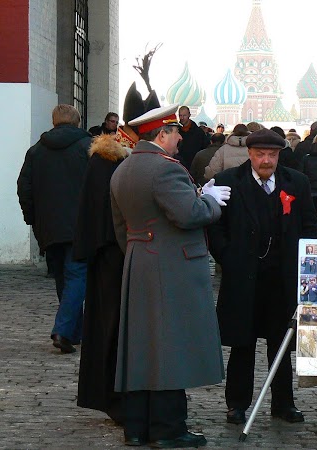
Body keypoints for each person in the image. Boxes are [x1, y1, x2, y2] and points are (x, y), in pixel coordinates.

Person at [110, 103, 230, 448]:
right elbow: (188, 214)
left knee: (141, 346)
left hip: (138, 260)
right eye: (175, 132)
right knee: (169, 347)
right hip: (170, 263)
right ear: (161, 135)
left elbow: (121, 227)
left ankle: (137, 425)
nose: (180, 138)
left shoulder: (124, 169)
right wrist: (209, 201)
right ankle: (168, 428)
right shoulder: (165, 170)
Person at [207, 128, 317, 426]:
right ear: (250, 154)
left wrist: (300, 264)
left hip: (281, 278)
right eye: (260, 155)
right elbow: (215, 228)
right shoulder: (229, 181)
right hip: (243, 276)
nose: (266, 161)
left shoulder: (297, 182)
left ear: (279, 155)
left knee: (280, 342)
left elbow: (308, 226)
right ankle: (237, 404)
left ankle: (283, 403)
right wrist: (228, 258)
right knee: (242, 343)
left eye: (272, 155)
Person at [17, 104, 90, 354]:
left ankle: (73, 331)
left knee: (63, 276)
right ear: (77, 122)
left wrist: (32, 218)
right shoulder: (88, 148)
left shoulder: (36, 151)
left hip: (48, 225)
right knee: (77, 275)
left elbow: (24, 187)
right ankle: (64, 330)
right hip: (81, 223)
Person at [72, 134, 128, 423]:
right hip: (110, 255)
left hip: (114, 252)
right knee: (111, 325)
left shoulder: (110, 162)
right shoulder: (106, 162)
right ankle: (111, 394)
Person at [176, 105, 209, 171]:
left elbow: (204, 148)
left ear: (189, 115)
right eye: (180, 115)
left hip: (194, 166)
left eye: (184, 115)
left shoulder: (198, 132)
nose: (182, 118)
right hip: (179, 166)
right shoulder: (176, 131)